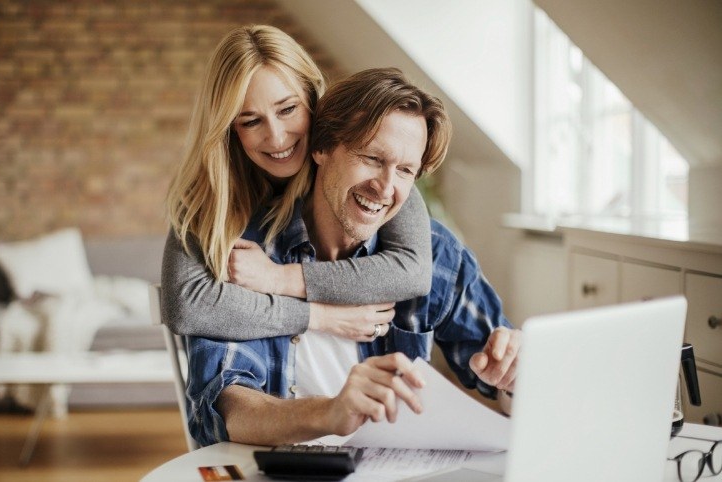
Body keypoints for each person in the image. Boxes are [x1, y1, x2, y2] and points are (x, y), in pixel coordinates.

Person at [186, 68, 520, 447]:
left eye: (405, 170)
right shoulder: (247, 255)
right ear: (321, 148)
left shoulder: (435, 252)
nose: (386, 188)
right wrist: (329, 412)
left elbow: (503, 382)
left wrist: (514, 378)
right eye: (372, 158)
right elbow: (228, 408)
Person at [162, 25, 435, 343]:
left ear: (311, 97)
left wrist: (278, 279)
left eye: (288, 109)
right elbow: (187, 305)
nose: (277, 138)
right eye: (251, 121)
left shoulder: (359, 164)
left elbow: (412, 272)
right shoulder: (210, 192)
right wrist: (320, 316)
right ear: (229, 128)